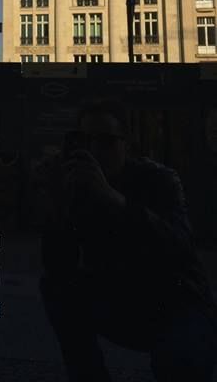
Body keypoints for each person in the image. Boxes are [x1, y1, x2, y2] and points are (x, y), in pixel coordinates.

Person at [38, 99, 217, 382]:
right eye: (86, 141)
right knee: (57, 290)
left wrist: (113, 198)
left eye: (106, 142)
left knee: (180, 359)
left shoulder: (159, 180)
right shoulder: (76, 185)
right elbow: (58, 267)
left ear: (126, 146)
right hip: (124, 299)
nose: (95, 151)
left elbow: (179, 246)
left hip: (178, 303)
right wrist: (57, 209)